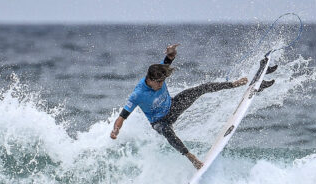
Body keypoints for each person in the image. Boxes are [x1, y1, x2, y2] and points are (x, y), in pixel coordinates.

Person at [110, 44, 276, 169]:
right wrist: (115, 130)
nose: (161, 84)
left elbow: (168, 60)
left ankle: (234, 84)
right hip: (160, 122)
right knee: (167, 131)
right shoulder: (138, 93)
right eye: (159, 82)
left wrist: (171, 53)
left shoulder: (159, 72)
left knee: (200, 89)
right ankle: (192, 158)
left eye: (163, 81)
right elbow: (122, 116)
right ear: (150, 80)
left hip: (172, 106)